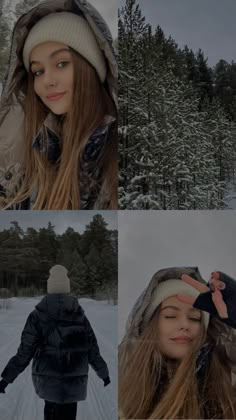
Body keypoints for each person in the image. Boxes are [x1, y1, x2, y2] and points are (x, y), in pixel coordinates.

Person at [0, 0, 117, 210]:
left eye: (61, 64)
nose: (47, 81)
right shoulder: (25, 149)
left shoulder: (117, 155)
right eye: (38, 71)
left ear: (91, 68)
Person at [119, 266, 236, 419]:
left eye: (194, 318)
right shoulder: (122, 384)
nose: (184, 325)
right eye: (170, 315)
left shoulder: (227, 382)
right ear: (150, 325)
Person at [0, 265, 111, 420]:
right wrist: (103, 373)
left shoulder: (37, 316)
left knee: (50, 412)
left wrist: (6, 379)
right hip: (74, 383)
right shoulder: (79, 315)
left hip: (48, 381)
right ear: (67, 287)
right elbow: (92, 349)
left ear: (49, 286)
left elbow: (24, 352)